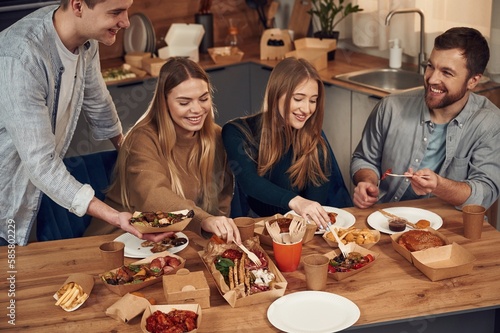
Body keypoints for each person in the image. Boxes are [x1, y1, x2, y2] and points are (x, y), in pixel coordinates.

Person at [0, 0, 169, 246]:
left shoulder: (86, 39)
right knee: (11, 280)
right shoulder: (20, 59)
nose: (126, 22)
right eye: (116, 12)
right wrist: (116, 217)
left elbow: (97, 99)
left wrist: (128, 151)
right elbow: (42, 166)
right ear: (78, 6)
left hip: (31, 187)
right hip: (6, 189)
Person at [87, 57, 241, 243]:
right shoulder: (142, 138)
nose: (197, 109)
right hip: (122, 238)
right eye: (184, 103)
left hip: (177, 238)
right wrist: (204, 220)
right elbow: (154, 198)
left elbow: (222, 201)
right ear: (164, 103)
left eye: (204, 99)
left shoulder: (216, 136)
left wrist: (219, 229)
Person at [351, 27, 500, 210]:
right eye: (430, 66)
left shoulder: (490, 123)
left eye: (446, 72)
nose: (431, 79)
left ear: (473, 81)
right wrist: (367, 182)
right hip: (385, 218)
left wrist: (439, 185)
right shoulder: (391, 107)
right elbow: (364, 159)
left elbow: (484, 193)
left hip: (451, 228)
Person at [222, 57, 351, 231]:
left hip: (297, 230)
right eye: (298, 99)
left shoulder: (315, 141)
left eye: (313, 100)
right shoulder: (237, 132)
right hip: (257, 228)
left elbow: (313, 210)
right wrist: (297, 202)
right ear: (276, 95)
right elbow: (249, 181)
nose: (306, 109)